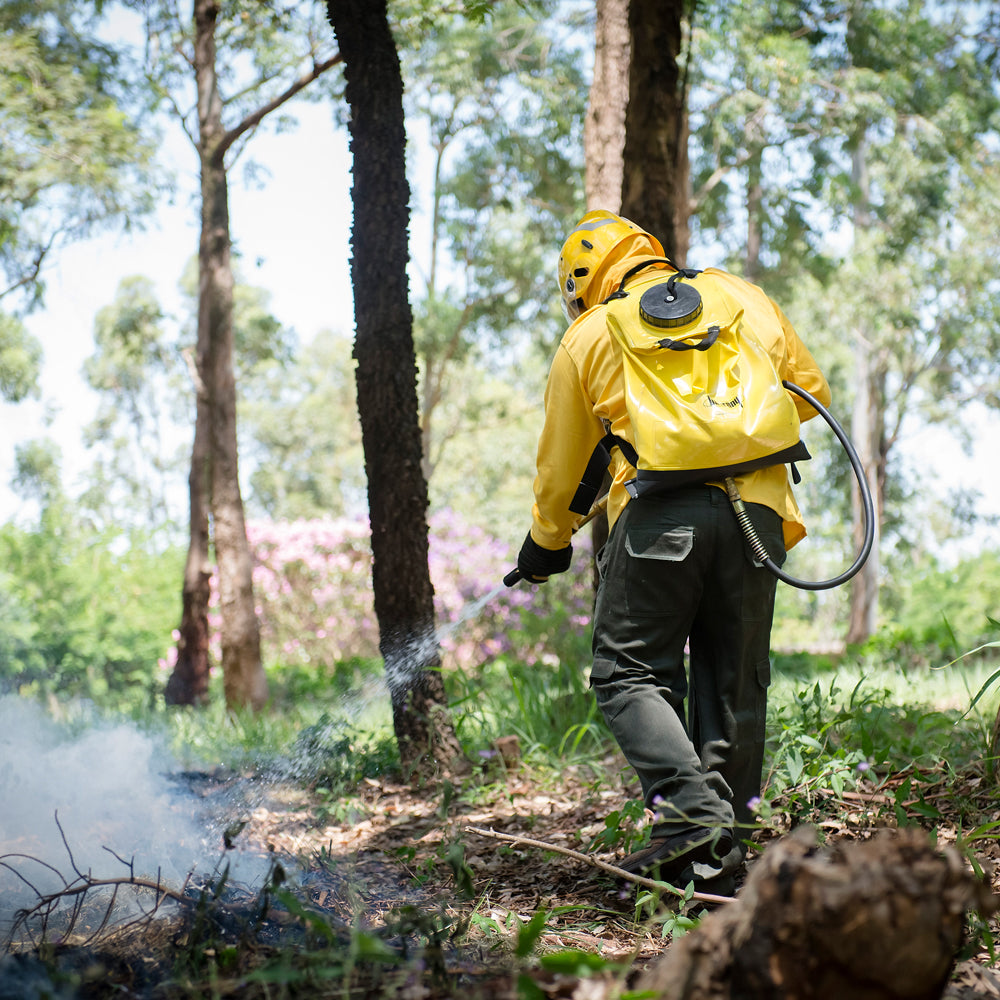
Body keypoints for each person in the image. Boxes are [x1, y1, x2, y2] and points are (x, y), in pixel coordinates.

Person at [513, 210, 830, 891]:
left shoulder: (589, 334)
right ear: (648, 254)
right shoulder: (740, 296)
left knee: (628, 673)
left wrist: (546, 544)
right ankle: (717, 873)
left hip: (659, 522)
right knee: (733, 685)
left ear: (580, 283)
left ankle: (690, 818)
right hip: (759, 517)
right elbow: (810, 396)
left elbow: (563, 468)